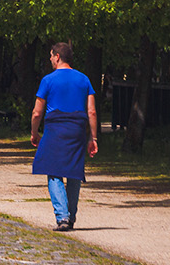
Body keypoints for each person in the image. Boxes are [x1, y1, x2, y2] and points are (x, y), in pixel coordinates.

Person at [30, 41, 98, 231]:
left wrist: (35, 133)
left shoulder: (48, 80)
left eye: (51, 56)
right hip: (77, 128)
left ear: (57, 56)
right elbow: (91, 111)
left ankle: (63, 217)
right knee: (74, 171)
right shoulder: (84, 80)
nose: (50, 59)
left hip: (55, 128)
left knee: (54, 171)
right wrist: (93, 138)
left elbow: (37, 112)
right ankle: (71, 215)